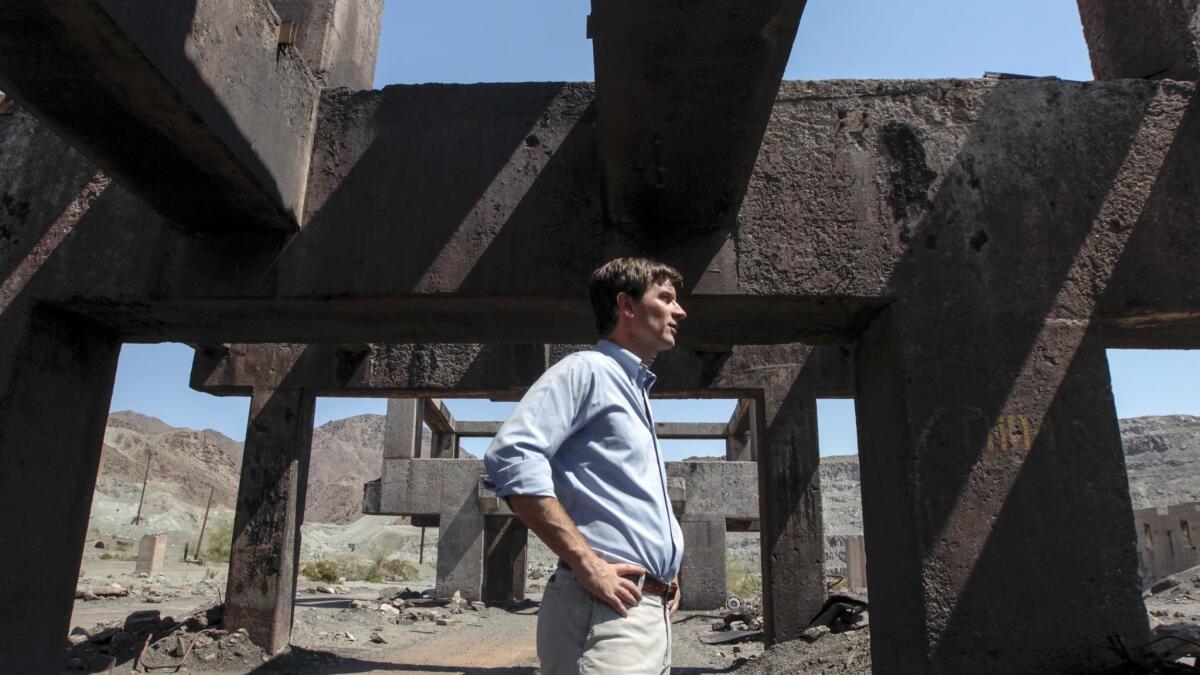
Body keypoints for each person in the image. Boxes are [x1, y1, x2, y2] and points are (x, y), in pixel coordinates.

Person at [483, 257, 688, 674]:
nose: (679, 311)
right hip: (604, 612)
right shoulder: (587, 370)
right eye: (665, 298)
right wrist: (586, 561)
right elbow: (512, 455)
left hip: (643, 610)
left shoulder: (634, 389)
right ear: (626, 306)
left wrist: (663, 571)